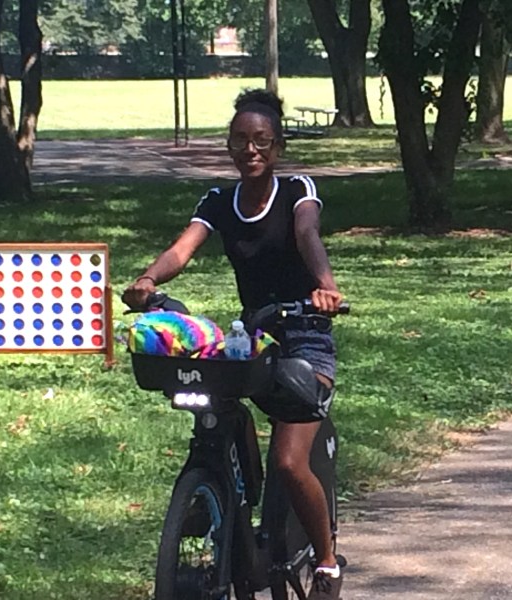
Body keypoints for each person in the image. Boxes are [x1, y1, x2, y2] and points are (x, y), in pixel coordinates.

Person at [121, 88, 345, 600]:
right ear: (228, 145)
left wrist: (325, 287)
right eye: (241, 140)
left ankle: (327, 561)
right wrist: (148, 280)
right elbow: (183, 248)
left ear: (278, 146)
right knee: (215, 409)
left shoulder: (297, 191)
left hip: (304, 335)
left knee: (289, 461)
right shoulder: (219, 201)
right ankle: (221, 495)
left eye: (262, 140)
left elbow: (308, 235)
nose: (251, 150)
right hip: (255, 337)